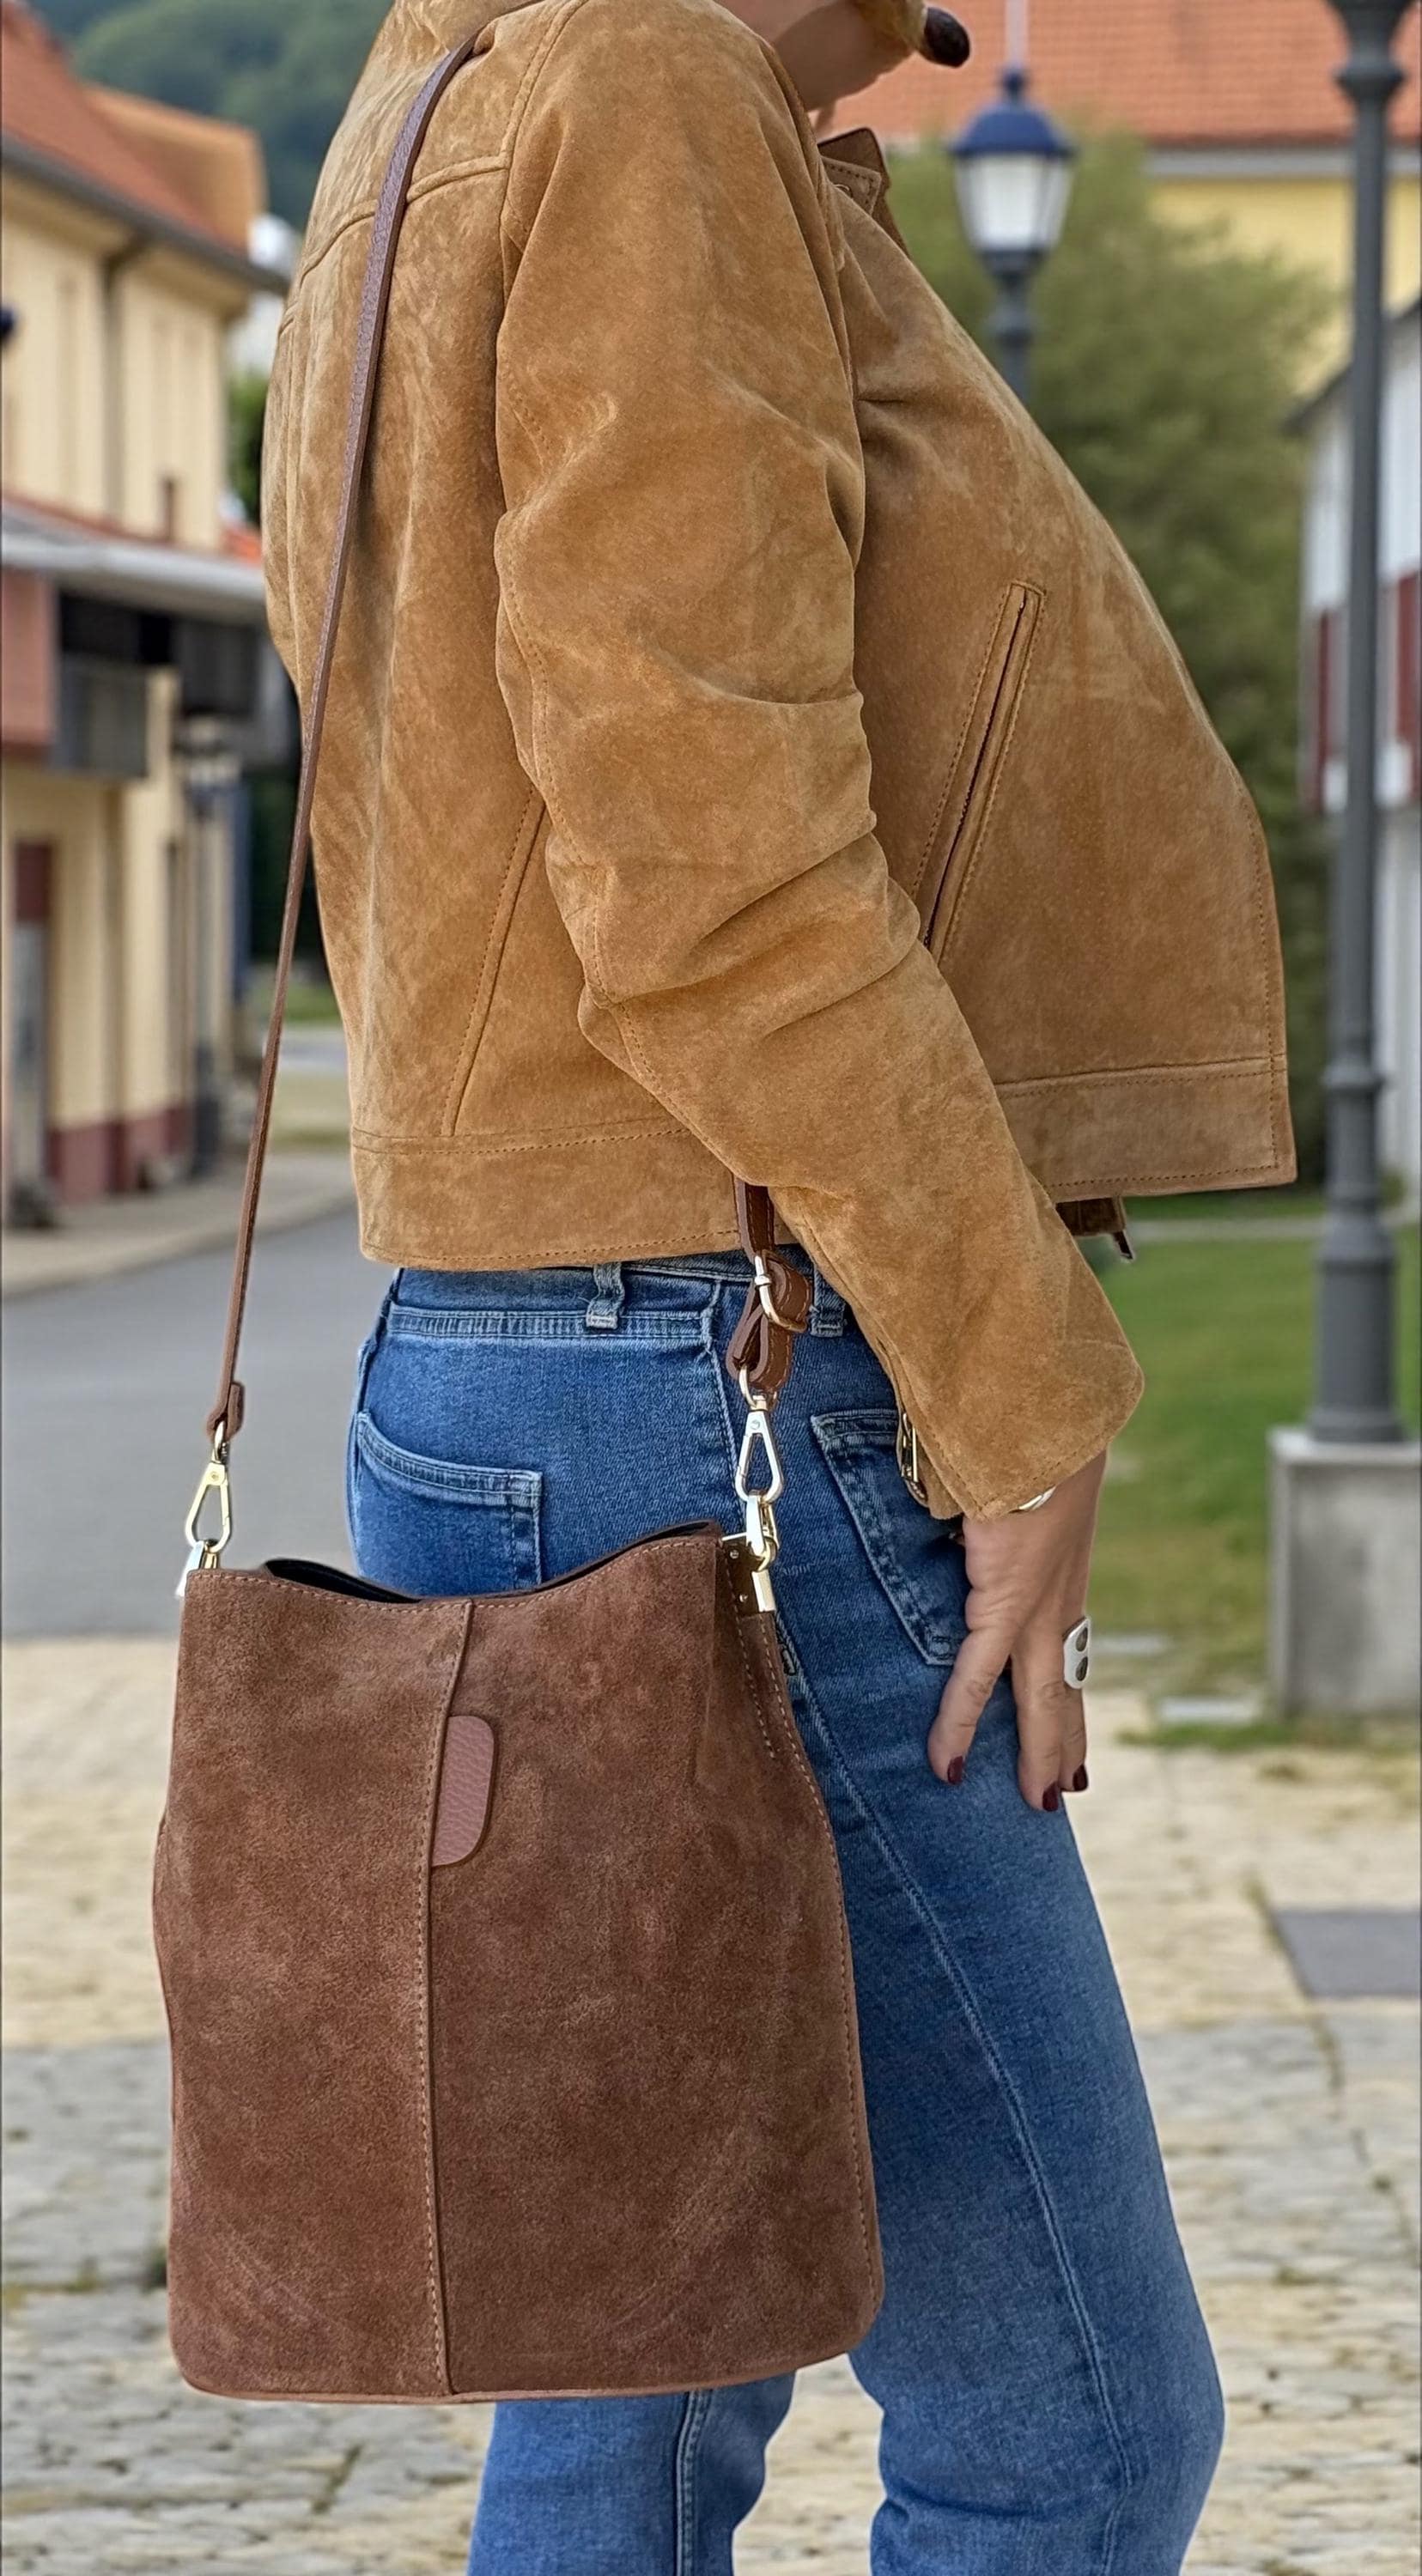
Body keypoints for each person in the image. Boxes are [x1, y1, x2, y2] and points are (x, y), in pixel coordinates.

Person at [261, 0, 1292, 2561]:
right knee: (1065, 2431)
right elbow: (707, 865)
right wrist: (1018, 1389)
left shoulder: (449, 84)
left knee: (639, 2378)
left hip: (503, 1352)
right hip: (720, 1368)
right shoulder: (636, 100)